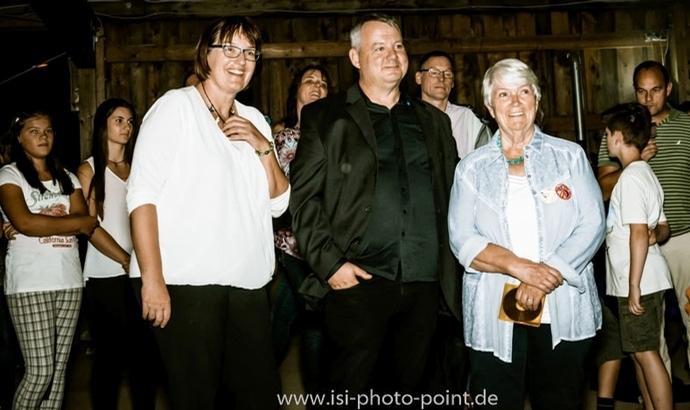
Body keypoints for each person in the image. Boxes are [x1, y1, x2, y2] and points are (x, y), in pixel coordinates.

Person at [289, 13, 462, 402]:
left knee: (411, 392)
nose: (391, 55)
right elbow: (303, 199)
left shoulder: (434, 122)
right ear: (355, 58)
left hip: (423, 285)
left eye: (398, 46)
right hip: (357, 282)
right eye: (379, 47)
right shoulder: (326, 117)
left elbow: (452, 196)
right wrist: (330, 264)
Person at [127, 16, 289, 410]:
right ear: (206, 55)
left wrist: (262, 147)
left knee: (259, 396)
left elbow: (279, 202)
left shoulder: (252, 119)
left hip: (247, 286)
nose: (241, 59)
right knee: (197, 397)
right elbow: (142, 196)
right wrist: (152, 279)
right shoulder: (174, 108)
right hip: (186, 284)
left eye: (250, 52)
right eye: (229, 49)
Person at [448, 58, 605, 410]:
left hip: (563, 305)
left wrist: (539, 279)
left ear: (536, 98)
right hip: (493, 309)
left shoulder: (570, 157)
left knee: (560, 400)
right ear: (490, 107)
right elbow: (463, 239)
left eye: (523, 92)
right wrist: (522, 269)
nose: (515, 103)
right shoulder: (470, 169)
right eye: (503, 94)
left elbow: (592, 224)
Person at [0, 110, 98, 410]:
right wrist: (33, 221)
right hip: (30, 283)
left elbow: (88, 222)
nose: (43, 136)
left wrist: (36, 220)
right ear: (19, 137)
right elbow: (26, 223)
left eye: (48, 131)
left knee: (57, 375)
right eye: (34, 131)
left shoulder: (67, 177)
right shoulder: (9, 174)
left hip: (69, 281)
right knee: (40, 371)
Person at [598, 60, 690, 372]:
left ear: (669, 89)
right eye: (641, 91)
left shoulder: (687, 126)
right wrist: (633, 163)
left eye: (655, 91)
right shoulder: (620, 132)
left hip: (683, 240)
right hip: (636, 247)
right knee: (648, 339)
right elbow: (601, 189)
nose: (648, 99)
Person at [76, 98, 161, 410]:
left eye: (130, 121)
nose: (127, 127)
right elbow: (90, 227)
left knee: (146, 358)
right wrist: (125, 259)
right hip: (105, 275)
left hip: (142, 274)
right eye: (119, 120)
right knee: (109, 361)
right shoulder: (88, 169)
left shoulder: (140, 167)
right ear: (103, 125)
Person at [602, 102, 673, 410]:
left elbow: (640, 233)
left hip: (639, 279)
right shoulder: (642, 173)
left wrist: (633, 286)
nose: (605, 139)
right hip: (637, 277)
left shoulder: (630, 179)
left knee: (646, 352)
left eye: (607, 134)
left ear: (618, 137)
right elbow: (661, 225)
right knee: (637, 352)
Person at [270, 64, 330, 397]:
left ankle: (253, 386)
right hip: (293, 245)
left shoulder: (336, 136)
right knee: (313, 319)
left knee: (285, 315)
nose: (317, 87)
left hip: (328, 247)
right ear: (296, 92)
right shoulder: (283, 139)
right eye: (310, 81)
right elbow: (278, 196)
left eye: (323, 83)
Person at [415, 50, 491, 158]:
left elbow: (489, 159)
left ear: (453, 82)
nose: (441, 78)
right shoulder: (408, 118)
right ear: (419, 78)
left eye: (447, 74)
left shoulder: (468, 118)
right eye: (434, 72)